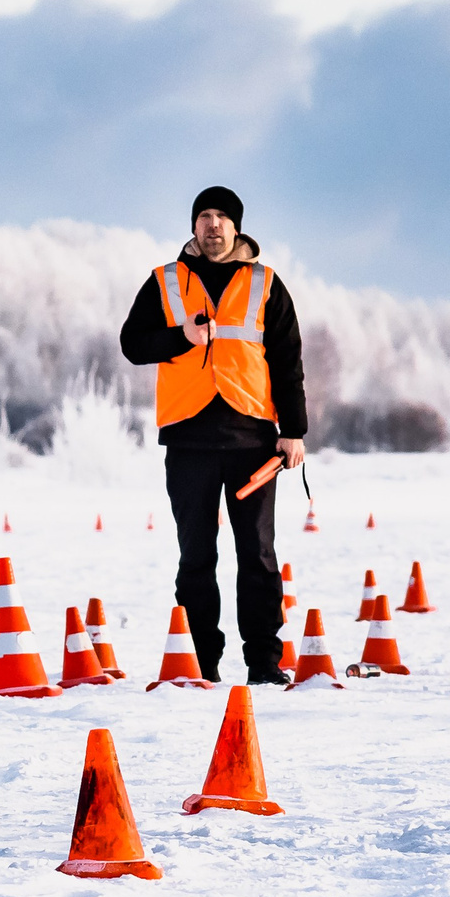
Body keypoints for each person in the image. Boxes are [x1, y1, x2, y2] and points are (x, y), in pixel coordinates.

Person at [119, 186, 307, 684]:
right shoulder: (164, 282)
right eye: (205, 215)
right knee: (195, 557)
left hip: (252, 440)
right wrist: (183, 336)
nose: (214, 224)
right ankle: (200, 664)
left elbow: (288, 362)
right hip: (188, 439)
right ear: (194, 226)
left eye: (223, 216)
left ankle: (265, 665)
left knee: (259, 557)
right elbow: (132, 345)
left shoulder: (267, 284)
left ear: (237, 227)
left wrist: (294, 432)